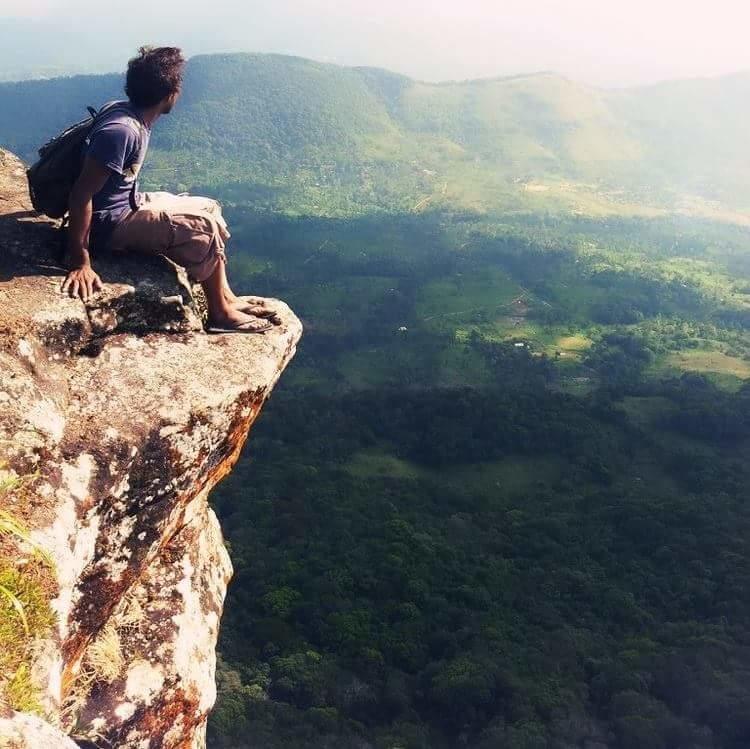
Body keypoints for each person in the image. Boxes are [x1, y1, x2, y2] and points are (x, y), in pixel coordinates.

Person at [62, 46, 278, 333]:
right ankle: (220, 314)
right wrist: (81, 259)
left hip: (127, 204)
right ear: (170, 93)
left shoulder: (127, 112)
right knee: (202, 227)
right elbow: (81, 195)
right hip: (109, 224)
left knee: (209, 208)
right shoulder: (121, 131)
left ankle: (226, 296)